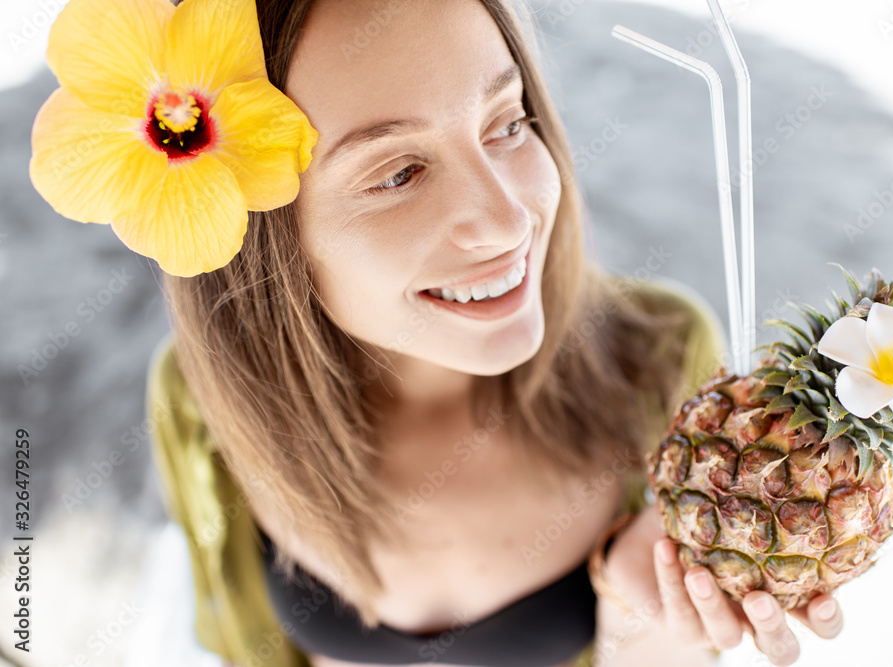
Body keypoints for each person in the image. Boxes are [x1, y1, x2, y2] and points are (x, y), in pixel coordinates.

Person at [146, 0, 845, 665]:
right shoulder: (201, 401)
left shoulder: (660, 360)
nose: (510, 221)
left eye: (506, 124)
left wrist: (646, 609)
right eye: (399, 173)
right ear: (261, 237)